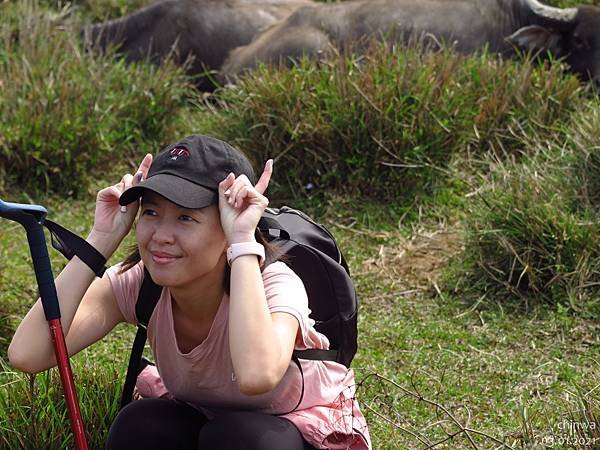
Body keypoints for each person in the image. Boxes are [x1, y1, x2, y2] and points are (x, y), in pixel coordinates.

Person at [8, 135, 371, 450]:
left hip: (291, 427)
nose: (161, 235)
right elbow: (28, 354)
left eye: (185, 218)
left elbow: (256, 377)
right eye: (151, 213)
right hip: (205, 417)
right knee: (139, 427)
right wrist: (100, 241)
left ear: (228, 224)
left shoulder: (275, 284)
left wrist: (243, 240)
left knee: (237, 440)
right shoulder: (140, 282)